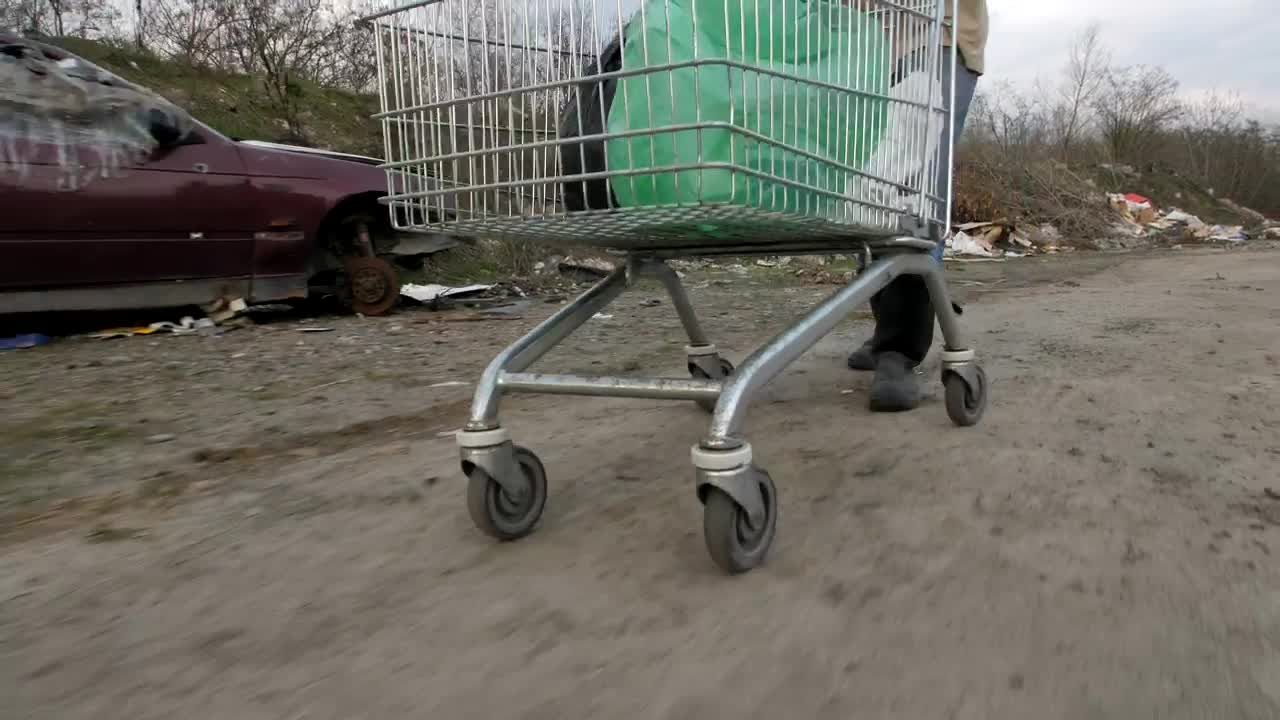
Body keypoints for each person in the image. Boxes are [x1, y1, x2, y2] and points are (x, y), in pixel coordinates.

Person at [847, 0, 988, 413]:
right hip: (863, 43)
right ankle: (887, 329)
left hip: (935, 35)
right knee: (866, 197)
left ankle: (899, 350)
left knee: (913, 192)